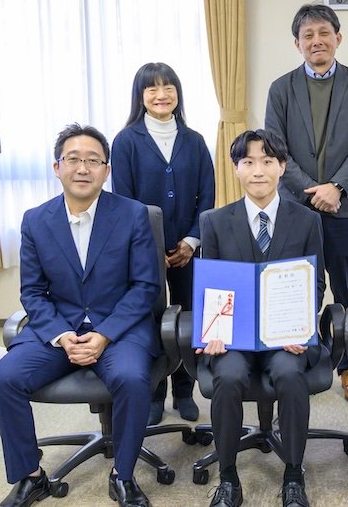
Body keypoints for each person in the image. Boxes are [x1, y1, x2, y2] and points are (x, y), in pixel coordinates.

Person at [0, 124, 160, 507]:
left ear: (106, 170)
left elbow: (145, 287)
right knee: (3, 378)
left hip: (119, 329)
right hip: (59, 330)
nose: (83, 168)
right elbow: (33, 292)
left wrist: (104, 334)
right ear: (57, 167)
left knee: (132, 379)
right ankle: (31, 476)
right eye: (74, 159)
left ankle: (123, 475)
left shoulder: (133, 215)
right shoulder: (36, 220)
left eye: (93, 161)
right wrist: (62, 335)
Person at [197, 129, 325, 507]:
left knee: (290, 373)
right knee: (228, 376)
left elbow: (316, 283)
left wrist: (301, 327)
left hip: (286, 336)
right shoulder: (215, 222)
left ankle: (293, 474)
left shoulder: (306, 220)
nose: (258, 170)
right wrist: (213, 330)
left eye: (267, 161)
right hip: (234, 338)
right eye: (248, 162)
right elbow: (212, 286)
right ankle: (228, 478)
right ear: (235, 168)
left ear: (282, 167)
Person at [265, 3, 348, 403]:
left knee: (346, 288)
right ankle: (299, 361)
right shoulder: (281, 89)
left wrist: (337, 188)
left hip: (343, 205)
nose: (317, 41)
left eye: (324, 33)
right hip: (294, 207)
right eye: (308, 35)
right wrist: (313, 190)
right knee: (295, 286)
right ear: (297, 44)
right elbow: (276, 149)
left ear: (338, 38)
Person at [112, 62, 215, 425]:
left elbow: (207, 196)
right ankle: (155, 392)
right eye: (152, 88)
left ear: (177, 93)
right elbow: (124, 201)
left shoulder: (194, 140)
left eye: (168, 87)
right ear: (140, 96)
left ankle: (184, 391)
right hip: (145, 251)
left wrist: (191, 241)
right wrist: (152, 249)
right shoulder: (126, 141)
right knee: (151, 320)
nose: (161, 95)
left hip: (189, 249)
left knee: (188, 319)